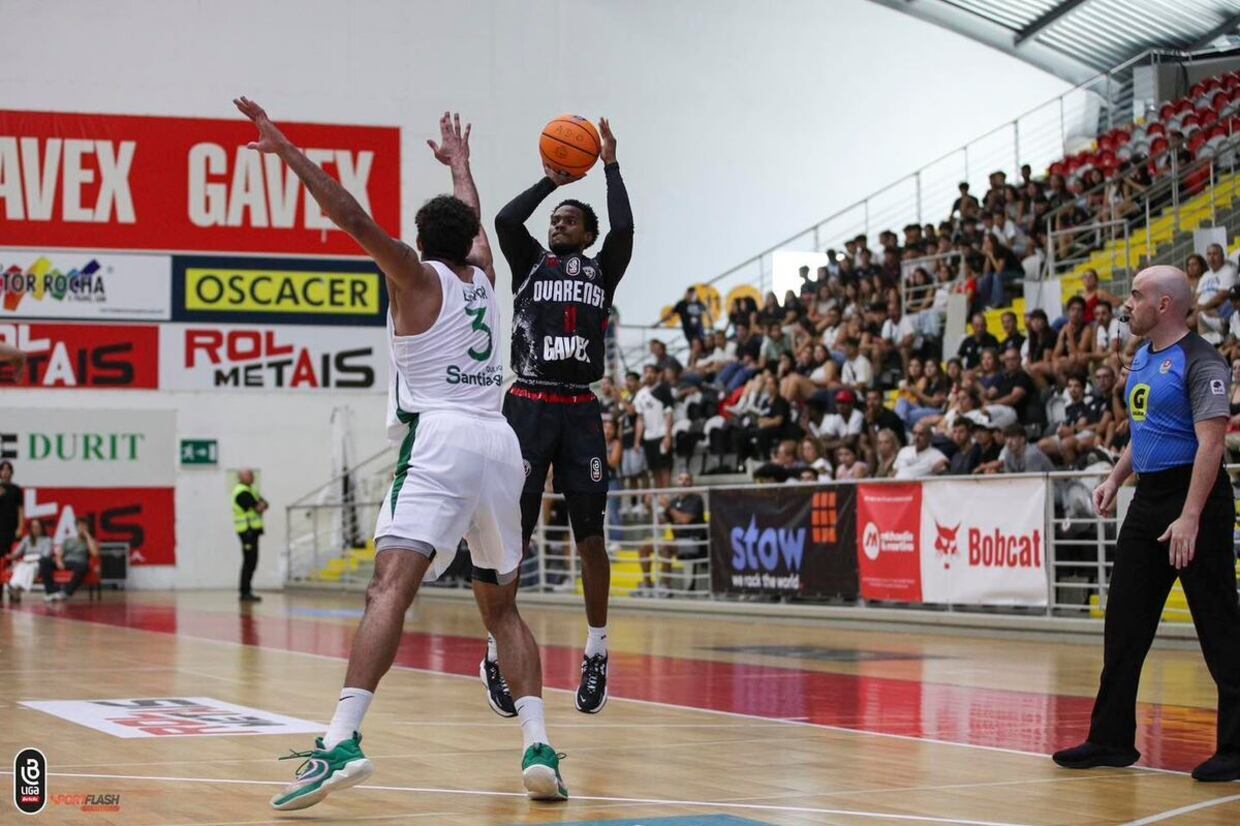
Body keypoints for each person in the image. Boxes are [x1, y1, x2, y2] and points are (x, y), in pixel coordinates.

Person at [235, 100, 567, 806]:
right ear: (471, 238)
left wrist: (288, 151)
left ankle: (341, 740)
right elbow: (474, 222)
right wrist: (462, 167)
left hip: (443, 437)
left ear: (420, 241)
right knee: (502, 610)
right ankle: (539, 745)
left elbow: (350, 218)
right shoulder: (486, 278)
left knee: (388, 588)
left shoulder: (415, 278)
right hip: (499, 441)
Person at [1054, 265, 1240, 782]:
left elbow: (1211, 443)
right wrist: (1116, 479)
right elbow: (1147, 431)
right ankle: (1109, 740)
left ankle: (1236, 746)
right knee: (1125, 625)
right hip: (1149, 497)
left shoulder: (1202, 361)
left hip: (1194, 497)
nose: (1126, 304)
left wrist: (1191, 516)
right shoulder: (1141, 357)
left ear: (1164, 305)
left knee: (1219, 626)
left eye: (1136, 296)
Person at [491, 115, 631, 718]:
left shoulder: (604, 267)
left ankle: (597, 649)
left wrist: (611, 168)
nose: (557, 224)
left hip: (578, 410)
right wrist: (551, 181)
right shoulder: (529, 264)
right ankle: (499, 649)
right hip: (527, 403)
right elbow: (503, 220)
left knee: (590, 536)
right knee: (513, 536)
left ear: (588, 233)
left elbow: (623, 224)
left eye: (569, 219)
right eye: (555, 220)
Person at [39, 517, 99, 601]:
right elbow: (59, 554)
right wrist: (59, 561)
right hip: (66, 562)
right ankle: (52, 592)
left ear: (88, 528)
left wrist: (87, 535)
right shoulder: (69, 540)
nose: (82, 528)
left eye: (84, 526)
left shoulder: (91, 541)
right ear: (76, 527)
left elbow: (94, 553)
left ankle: (65, 592)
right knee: (44, 560)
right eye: (80, 526)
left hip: (78, 564)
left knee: (84, 566)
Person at [232, 468, 269, 603]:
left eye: (252, 475)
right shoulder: (241, 492)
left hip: (253, 531)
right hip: (246, 531)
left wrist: (261, 505)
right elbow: (258, 507)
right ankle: (245, 591)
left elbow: (265, 504)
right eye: (249, 475)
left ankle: (247, 590)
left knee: (252, 561)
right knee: (249, 561)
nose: (252, 477)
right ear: (241, 477)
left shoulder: (251, 490)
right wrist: (260, 505)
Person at [4, 518, 49, 601]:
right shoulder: (26, 539)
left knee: (30, 568)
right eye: (33, 527)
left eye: (37, 527)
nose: (35, 529)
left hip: (37, 561)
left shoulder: (47, 540)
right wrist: (9, 556)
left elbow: (45, 556)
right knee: (19, 567)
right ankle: (14, 588)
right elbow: (17, 553)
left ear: (42, 528)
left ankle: (16, 590)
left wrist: (29, 561)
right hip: (25, 560)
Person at [0, 461, 24, 575]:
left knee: (11, 556)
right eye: (3, 469)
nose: (5, 472)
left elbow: (20, 509)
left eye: (8, 469)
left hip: (11, 527)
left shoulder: (16, 489)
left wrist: (20, 527)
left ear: (11, 472)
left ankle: (11, 585)